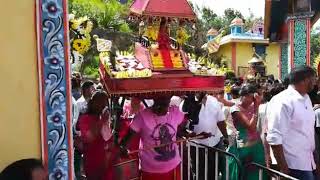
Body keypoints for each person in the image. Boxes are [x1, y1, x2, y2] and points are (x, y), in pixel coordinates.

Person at [120, 95, 209, 180]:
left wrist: (197, 135)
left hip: (173, 167)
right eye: (159, 104)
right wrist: (124, 149)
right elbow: (126, 141)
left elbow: (181, 131)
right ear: (154, 101)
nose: (162, 109)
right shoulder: (141, 117)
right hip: (151, 171)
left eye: (165, 105)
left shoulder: (174, 112)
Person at [267, 66, 319, 180]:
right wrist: (284, 169)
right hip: (293, 166)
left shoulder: (306, 98)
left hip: (308, 162)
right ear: (306, 79)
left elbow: (308, 132)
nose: (316, 82)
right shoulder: (282, 101)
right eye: (314, 78)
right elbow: (274, 137)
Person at [182, 93, 229, 180]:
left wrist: (226, 137)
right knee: (200, 173)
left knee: (215, 171)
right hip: (196, 147)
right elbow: (181, 128)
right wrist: (195, 135)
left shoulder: (213, 101)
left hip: (216, 144)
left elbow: (221, 121)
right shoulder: (185, 104)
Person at [227, 84, 266, 180]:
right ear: (243, 95)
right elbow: (251, 127)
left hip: (257, 144)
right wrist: (256, 107)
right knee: (246, 172)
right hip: (244, 145)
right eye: (249, 97)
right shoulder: (235, 109)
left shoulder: (253, 104)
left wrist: (258, 99)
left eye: (253, 97)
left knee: (259, 172)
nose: (252, 100)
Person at [78, 91, 111, 180]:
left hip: (104, 161)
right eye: (101, 103)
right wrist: (101, 122)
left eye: (105, 103)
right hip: (91, 161)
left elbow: (107, 137)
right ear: (93, 103)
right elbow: (89, 138)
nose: (103, 106)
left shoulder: (102, 117)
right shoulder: (85, 118)